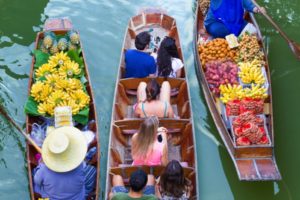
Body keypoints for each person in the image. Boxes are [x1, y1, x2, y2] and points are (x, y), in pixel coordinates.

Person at [33, 126, 96, 200]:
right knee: (92, 170)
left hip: (51, 197)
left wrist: (41, 164)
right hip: (77, 198)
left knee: (35, 172)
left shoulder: (43, 169)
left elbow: (37, 181)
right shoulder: (80, 165)